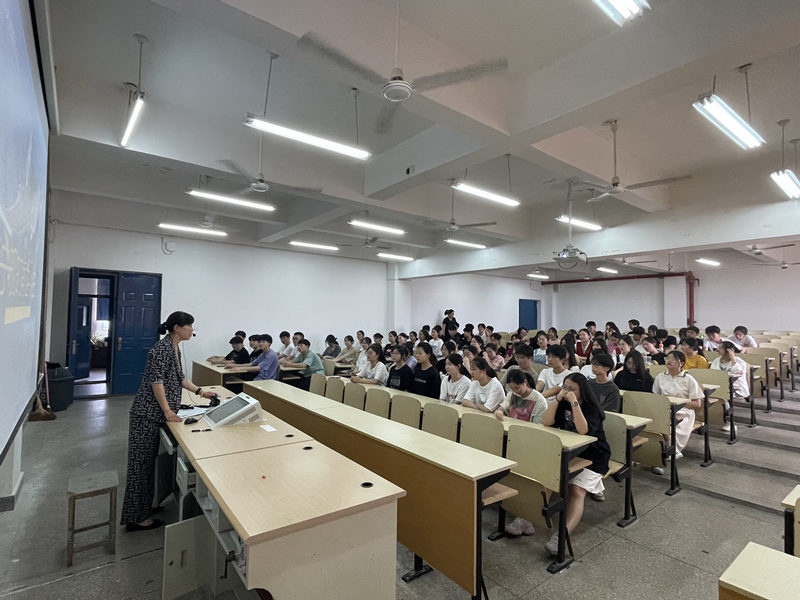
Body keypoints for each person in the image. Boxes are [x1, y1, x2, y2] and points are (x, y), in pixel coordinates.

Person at [121, 311, 217, 531]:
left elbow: (179, 377)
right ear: (177, 328)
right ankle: (136, 519)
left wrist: (202, 392)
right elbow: (156, 382)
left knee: (149, 465)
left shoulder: (173, 348)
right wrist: (167, 411)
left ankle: (144, 508)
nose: (192, 329)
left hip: (155, 415)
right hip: (146, 415)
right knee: (140, 466)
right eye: (189, 326)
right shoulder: (161, 349)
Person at [541, 373, 611, 552]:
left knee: (576, 491)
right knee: (547, 480)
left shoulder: (591, 407)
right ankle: (527, 519)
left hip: (593, 455)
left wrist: (574, 403)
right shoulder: (562, 402)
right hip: (569, 452)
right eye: (565, 387)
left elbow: (583, 431)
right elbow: (546, 422)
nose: (567, 391)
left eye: (572, 389)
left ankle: (562, 536)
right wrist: (558, 398)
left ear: (582, 390)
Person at [651, 350, 704, 473]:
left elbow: (697, 404)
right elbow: (655, 397)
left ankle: (666, 455)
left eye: (673, 359)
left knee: (669, 425)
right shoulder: (660, 377)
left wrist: (676, 402)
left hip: (684, 410)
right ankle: (662, 455)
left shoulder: (689, 379)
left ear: (681, 363)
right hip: (664, 409)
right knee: (653, 425)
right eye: (667, 358)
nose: (668, 360)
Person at [710, 341, 748, 433]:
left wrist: (733, 358)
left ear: (729, 350)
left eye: (720, 348)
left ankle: (731, 422)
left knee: (724, 397)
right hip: (720, 387)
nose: (717, 349)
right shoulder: (716, 360)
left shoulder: (739, 362)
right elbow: (712, 374)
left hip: (737, 387)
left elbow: (738, 374)